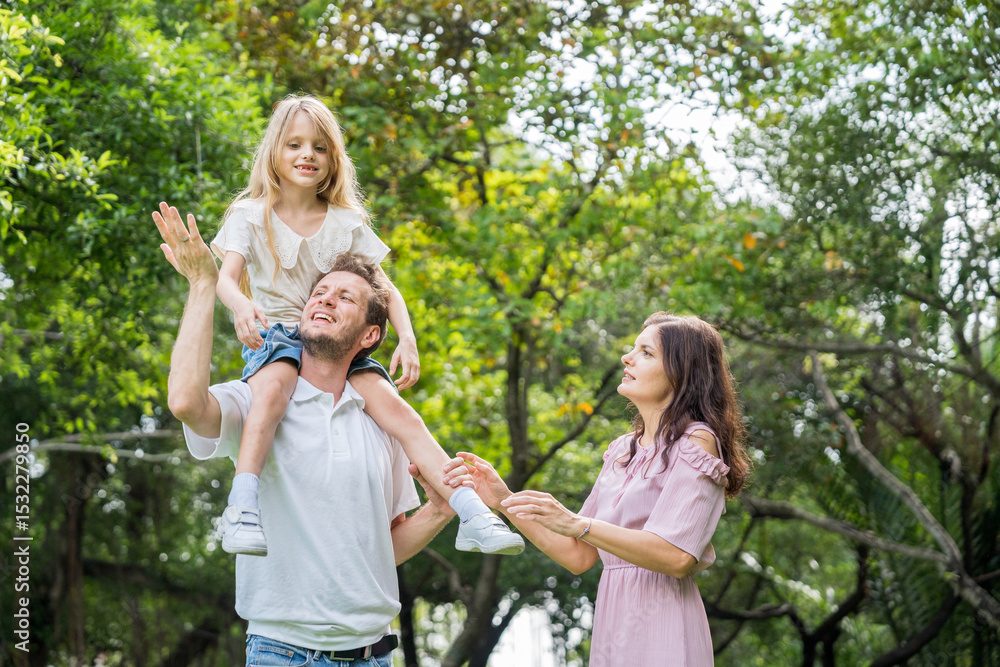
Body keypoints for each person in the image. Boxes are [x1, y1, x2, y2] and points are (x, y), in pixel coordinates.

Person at [198, 93, 521, 557]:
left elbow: (386, 291)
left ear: (333, 159)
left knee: (400, 414)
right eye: (294, 145)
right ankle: (242, 507)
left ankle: (471, 511)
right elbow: (226, 280)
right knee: (269, 393)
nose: (306, 155)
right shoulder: (251, 215)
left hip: (339, 340)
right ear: (274, 152)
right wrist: (242, 308)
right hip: (282, 334)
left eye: (319, 147)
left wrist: (407, 338)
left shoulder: (345, 221)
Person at [154, 206, 475, 664]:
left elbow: (383, 546)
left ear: (369, 335)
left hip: (373, 655)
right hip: (280, 653)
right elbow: (186, 403)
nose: (324, 299)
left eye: (344, 297)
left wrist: (440, 512)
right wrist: (204, 284)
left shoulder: (381, 422)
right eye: (319, 292)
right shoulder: (258, 400)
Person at [443, 313, 751, 666]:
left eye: (646, 353)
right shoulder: (622, 450)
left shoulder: (697, 442)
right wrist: (503, 500)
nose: (627, 357)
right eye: (633, 348)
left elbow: (677, 557)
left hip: (664, 621)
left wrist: (579, 524)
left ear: (682, 372)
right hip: (613, 622)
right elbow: (578, 555)